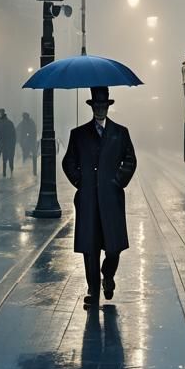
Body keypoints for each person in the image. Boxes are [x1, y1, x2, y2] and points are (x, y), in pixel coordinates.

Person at [62, 86, 137, 307]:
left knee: (113, 248)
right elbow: (68, 162)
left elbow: (130, 159)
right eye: (97, 106)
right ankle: (93, 292)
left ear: (108, 107)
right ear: (92, 107)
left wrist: (118, 181)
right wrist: (79, 181)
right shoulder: (79, 134)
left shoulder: (120, 132)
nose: (100, 109)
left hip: (111, 198)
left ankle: (108, 274)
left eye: (103, 106)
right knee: (90, 247)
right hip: (88, 200)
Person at [0, 108, 16, 177]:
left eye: (1, 112)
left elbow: (13, 134)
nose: (0, 113)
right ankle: (1, 169)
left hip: (5, 141)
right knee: (0, 155)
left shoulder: (6, 122)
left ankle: (7, 170)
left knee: (5, 157)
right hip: (2, 141)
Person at [18, 111, 38, 175]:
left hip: (31, 141)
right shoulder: (23, 123)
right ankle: (26, 169)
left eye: (24, 117)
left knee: (34, 155)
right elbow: (18, 129)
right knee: (25, 155)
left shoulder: (31, 122)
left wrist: (29, 136)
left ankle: (34, 171)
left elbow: (33, 131)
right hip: (25, 142)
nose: (24, 118)